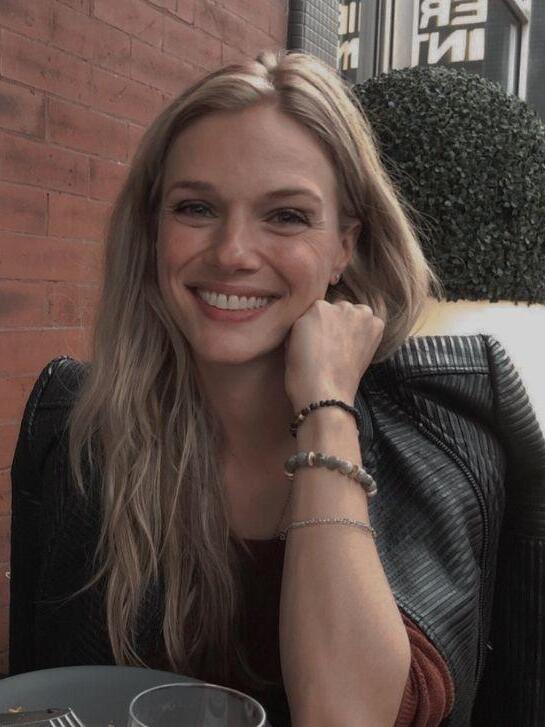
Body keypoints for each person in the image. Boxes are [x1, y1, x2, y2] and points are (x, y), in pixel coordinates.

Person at [9, 50, 545, 727]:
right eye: (196, 207)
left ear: (344, 246)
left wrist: (326, 408)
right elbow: (36, 697)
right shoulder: (74, 425)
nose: (233, 251)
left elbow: (345, 715)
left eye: (286, 216)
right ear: (152, 231)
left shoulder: (447, 428)